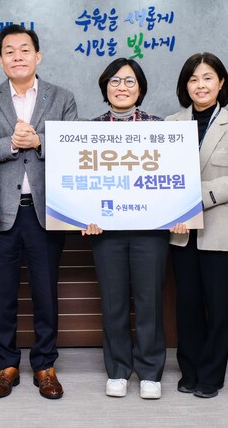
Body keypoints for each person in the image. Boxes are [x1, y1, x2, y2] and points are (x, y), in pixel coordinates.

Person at [0, 24, 78, 400]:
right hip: (2, 213)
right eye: (10, 51)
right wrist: (11, 144)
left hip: (45, 212)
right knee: (3, 294)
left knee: (45, 292)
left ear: (38, 56)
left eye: (24, 50)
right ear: (0, 60)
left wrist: (39, 141)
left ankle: (45, 364)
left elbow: (73, 148)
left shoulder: (62, 98)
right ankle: (7, 364)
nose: (17, 56)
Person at [166, 52, 228, 398]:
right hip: (181, 231)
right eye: (193, 79)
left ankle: (211, 374)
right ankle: (189, 370)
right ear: (185, 86)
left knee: (219, 306)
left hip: (221, 228)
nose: (200, 85)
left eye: (207, 78)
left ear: (221, 83)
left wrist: (199, 195)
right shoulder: (170, 124)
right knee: (187, 304)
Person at [80, 58, 169, 399]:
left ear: (140, 88)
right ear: (105, 87)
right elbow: (81, 182)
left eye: (130, 81)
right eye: (115, 81)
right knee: (114, 302)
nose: (122, 87)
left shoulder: (159, 128)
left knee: (149, 302)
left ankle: (150, 372)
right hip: (106, 232)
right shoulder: (89, 130)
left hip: (150, 230)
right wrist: (82, 215)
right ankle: (117, 369)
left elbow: (171, 178)